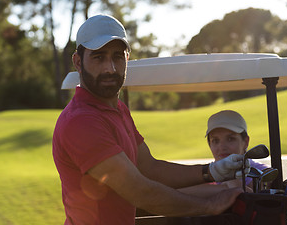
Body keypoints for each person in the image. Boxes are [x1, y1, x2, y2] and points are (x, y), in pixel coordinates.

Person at [52, 14, 246, 225]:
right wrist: (210, 206)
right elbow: (139, 191)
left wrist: (212, 171)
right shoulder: (81, 121)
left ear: (126, 59)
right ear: (78, 62)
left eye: (117, 56)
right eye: (98, 57)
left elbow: (150, 169)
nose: (110, 68)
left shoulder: (118, 110)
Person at [205, 110, 268, 190]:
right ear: (209, 145)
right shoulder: (201, 177)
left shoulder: (262, 172)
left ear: (245, 142)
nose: (222, 147)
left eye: (230, 139)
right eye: (215, 141)